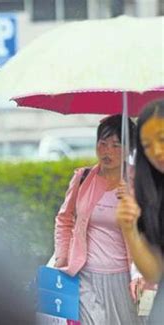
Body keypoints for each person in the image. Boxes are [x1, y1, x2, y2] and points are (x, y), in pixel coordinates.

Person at [54, 115, 146, 324]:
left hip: (126, 277)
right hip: (85, 275)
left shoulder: (139, 182)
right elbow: (64, 219)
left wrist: (132, 200)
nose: (107, 151)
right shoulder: (83, 178)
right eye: (103, 144)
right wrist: (62, 257)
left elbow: (150, 228)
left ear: (129, 149)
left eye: (116, 145)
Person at [116, 101, 164, 323]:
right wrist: (130, 229)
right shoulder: (152, 196)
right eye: (146, 145)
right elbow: (154, 272)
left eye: (162, 139)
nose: (156, 151)